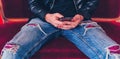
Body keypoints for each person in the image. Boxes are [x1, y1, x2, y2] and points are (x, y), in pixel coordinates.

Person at [0, 0, 120, 59]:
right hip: (43, 20)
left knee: (114, 53)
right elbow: (33, 3)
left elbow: (92, 1)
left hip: (79, 21)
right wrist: (47, 16)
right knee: (11, 52)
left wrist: (81, 16)